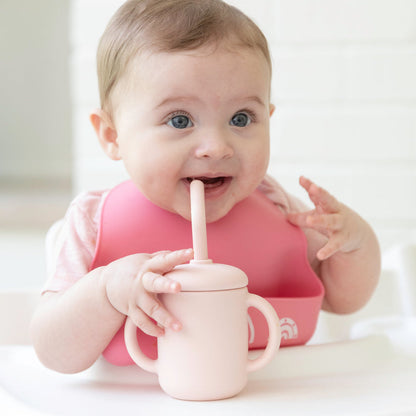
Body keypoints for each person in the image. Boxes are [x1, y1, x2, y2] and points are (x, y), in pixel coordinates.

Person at [30, 0, 381, 374]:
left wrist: (355, 244)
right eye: (180, 120)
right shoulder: (93, 222)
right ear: (112, 135)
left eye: (241, 118)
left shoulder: (275, 204)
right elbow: (54, 353)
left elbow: (343, 300)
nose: (216, 146)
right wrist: (104, 292)